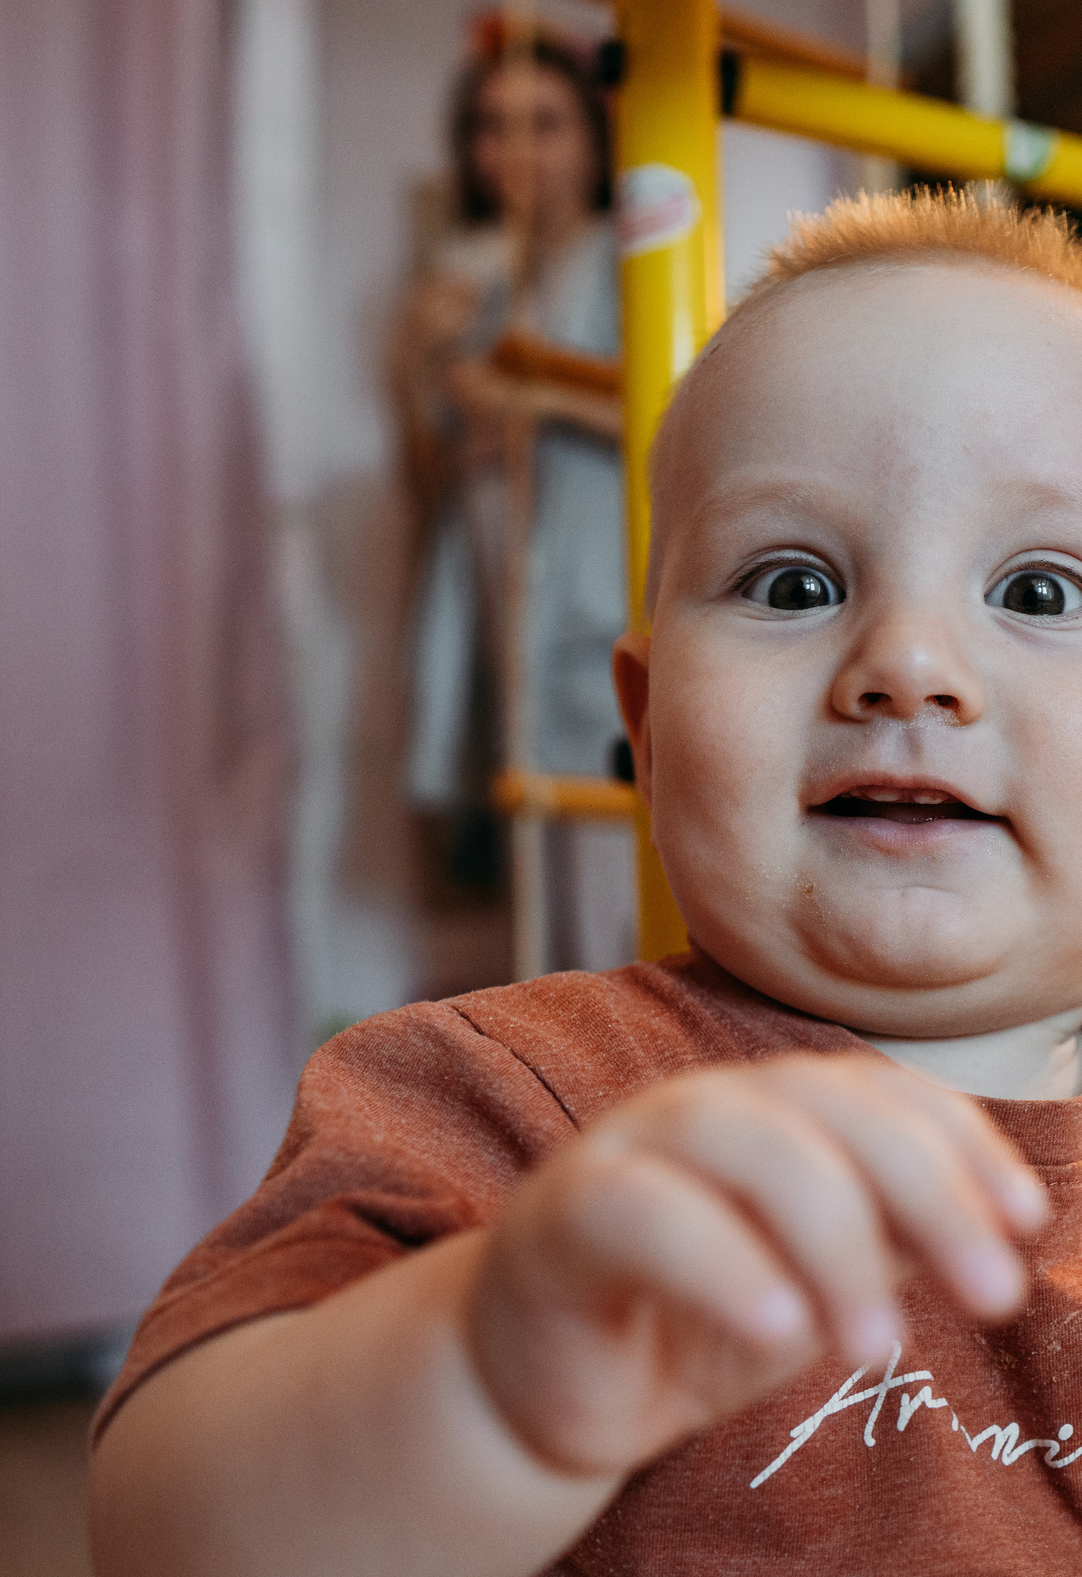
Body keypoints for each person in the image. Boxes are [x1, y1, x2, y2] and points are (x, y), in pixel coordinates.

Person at [90, 189, 1082, 1577]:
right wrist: (487, 1360)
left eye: (1037, 590)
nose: (908, 663)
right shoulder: (502, 1099)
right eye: (794, 583)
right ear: (649, 728)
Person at [395, 12, 632, 970]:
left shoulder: (631, 258)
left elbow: (685, 418)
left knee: (614, 919)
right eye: (493, 126)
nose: (516, 151)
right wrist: (419, 363)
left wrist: (536, 397)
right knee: (545, 920)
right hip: (512, 627)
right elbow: (432, 479)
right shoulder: (479, 281)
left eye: (545, 123)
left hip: (600, 622)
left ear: (595, 142)